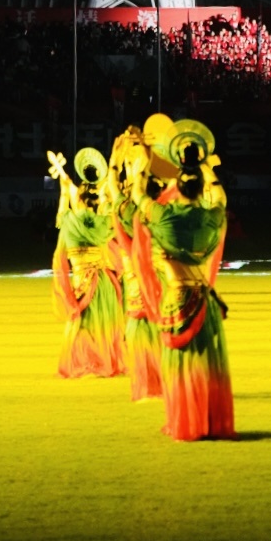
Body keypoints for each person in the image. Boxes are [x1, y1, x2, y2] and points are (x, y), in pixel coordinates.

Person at [132, 122, 235, 441]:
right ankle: (208, 420)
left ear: (177, 186)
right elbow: (220, 198)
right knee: (207, 363)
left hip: (176, 300)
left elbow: (137, 194)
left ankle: (186, 421)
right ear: (202, 187)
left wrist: (143, 160)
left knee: (180, 365)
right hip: (204, 301)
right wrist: (204, 165)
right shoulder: (210, 218)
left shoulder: (164, 217)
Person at [48, 147, 126, 379]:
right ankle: (104, 361)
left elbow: (62, 214)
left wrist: (65, 191)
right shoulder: (103, 222)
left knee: (81, 323)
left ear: (78, 200)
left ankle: (84, 361)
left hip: (82, 279)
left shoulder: (69, 222)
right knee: (105, 323)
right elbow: (113, 215)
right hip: (103, 281)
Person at [105, 128, 163, 402]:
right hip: (159, 272)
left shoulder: (126, 210)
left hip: (133, 272)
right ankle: (164, 378)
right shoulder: (160, 212)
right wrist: (146, 155)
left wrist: (115, 159)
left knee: (137, 323)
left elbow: (112, 187)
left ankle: (146, 381)